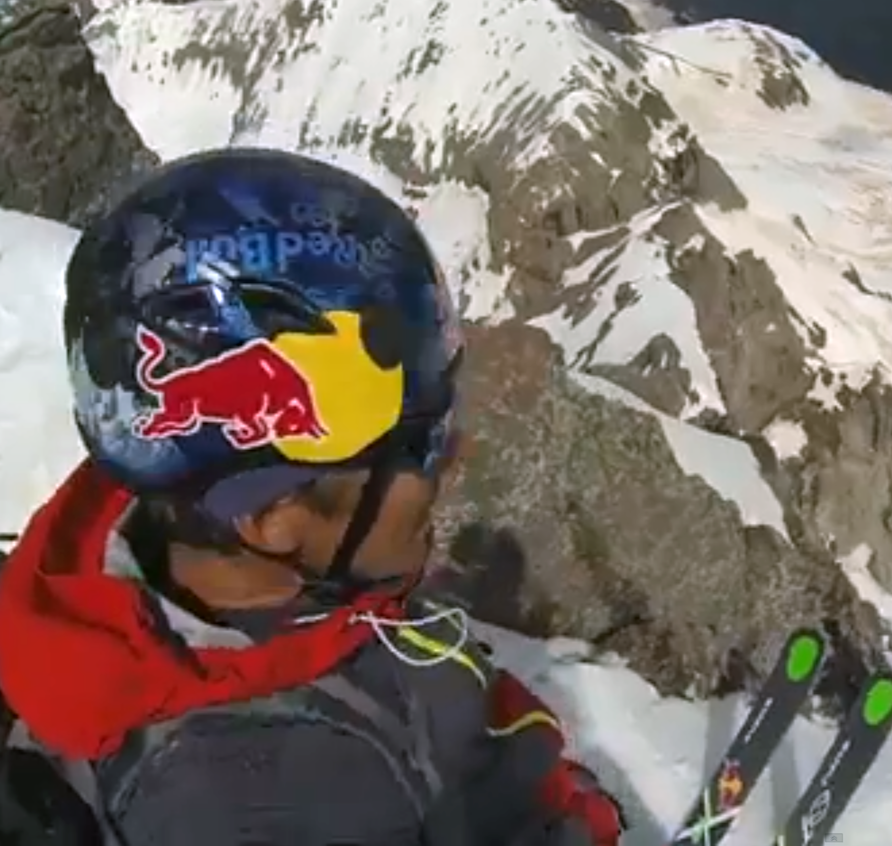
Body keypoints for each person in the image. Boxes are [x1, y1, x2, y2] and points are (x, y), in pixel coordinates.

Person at [0, 148, 625, 846]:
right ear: (273, 516)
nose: (455, 454)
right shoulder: (272, 796)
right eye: (417, 442)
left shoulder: (193, 556)